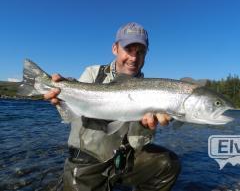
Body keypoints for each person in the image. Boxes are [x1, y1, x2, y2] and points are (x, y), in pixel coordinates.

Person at [44, 22, 181, 191]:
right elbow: (69, 116)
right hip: (87, 162)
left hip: (123, 158)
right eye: (128, 50)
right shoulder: (93, 74)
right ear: (115, 49)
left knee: (169, 164)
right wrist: (61, 97)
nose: (133, 58)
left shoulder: (151, 90)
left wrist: (144, 126)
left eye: (140, 52)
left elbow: (137, 143)